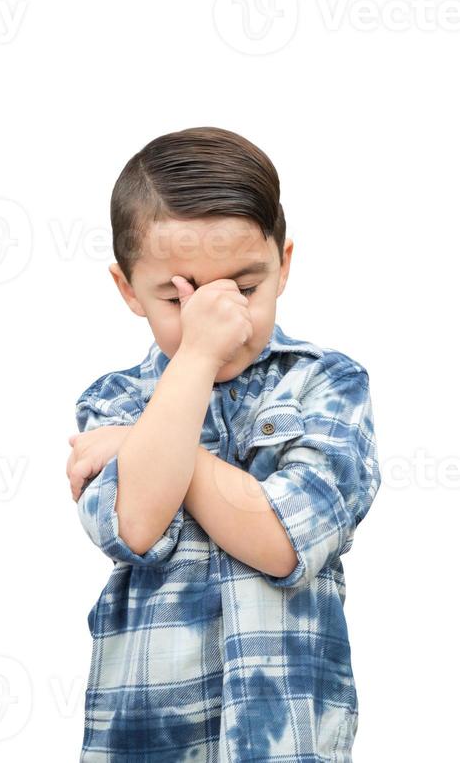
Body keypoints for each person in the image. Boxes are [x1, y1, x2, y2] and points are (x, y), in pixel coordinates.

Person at [66, 126, 379, 761]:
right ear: (128, 289)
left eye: (242, 288)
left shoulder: (327, 384)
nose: (220, 319)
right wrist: (194, 363)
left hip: (286, 740)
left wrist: (139, 444)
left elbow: (283, 542)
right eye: (181, 297)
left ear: (283, 265)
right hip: (146, 738)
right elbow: (135, 527)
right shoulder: (114, 401)